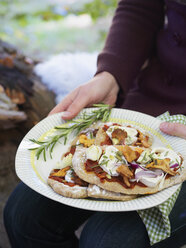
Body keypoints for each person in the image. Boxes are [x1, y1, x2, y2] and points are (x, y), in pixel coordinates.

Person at [3, 0, 186, 247]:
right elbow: (141, 6)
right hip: (148, 108)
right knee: (23, 217)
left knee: (105, 242)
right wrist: (110, 74)